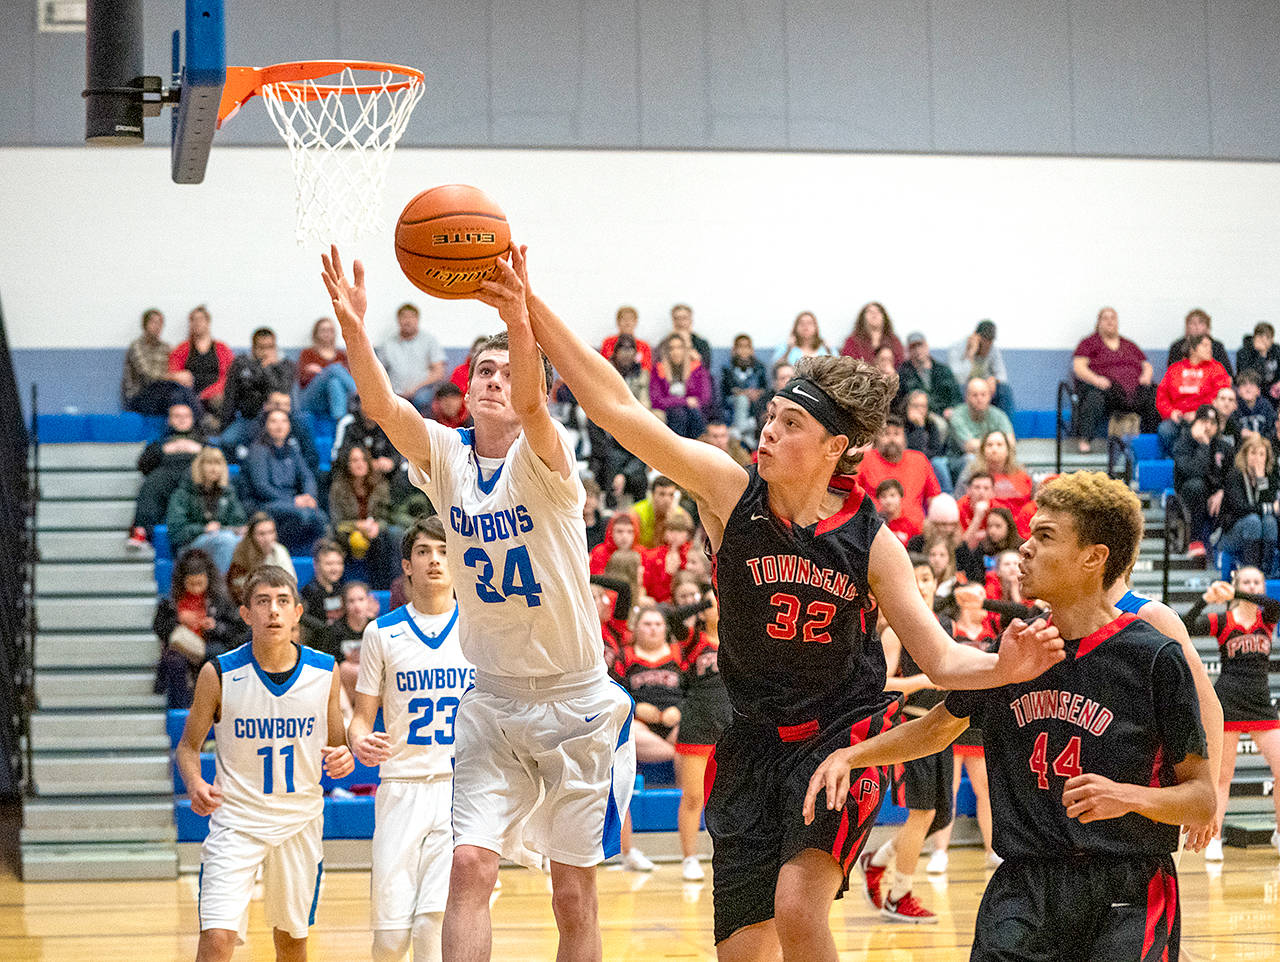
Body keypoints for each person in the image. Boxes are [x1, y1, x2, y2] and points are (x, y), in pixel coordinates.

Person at [488, 243, 1063, 962]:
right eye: (771, 416)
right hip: (752, 739)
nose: (769, 430)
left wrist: (1006, 664)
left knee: (798, 906)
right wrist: (527, 307)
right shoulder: (730, 492)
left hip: (839, 739)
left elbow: (942, 659)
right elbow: (615, 407)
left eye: (792, 424)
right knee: (743, 952)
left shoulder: (871, 541)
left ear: (835, 447)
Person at [321, 246, 635, 962]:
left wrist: (518, 317)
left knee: (571, 894)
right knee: (468, 865)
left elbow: (529, 402)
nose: (494, 381)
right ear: (465, 389)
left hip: (575, 700)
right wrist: (356, 328)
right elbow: (380, 405)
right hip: (492, 699)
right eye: (481, 371)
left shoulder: (548, 461)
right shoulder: (446, 458)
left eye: (506, 370)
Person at [805, 471, 1215, 962]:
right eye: (1028, 534)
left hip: (1126, 884)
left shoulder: (1152, 657)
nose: (1024, 549)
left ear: (1094, 557)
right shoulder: (1015, 651)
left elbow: (1201, 799)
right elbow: (937, 727)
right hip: (1024, 885)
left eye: (1044, 537)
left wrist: (1126, 796)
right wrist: (851, 756)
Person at [175, 565, 353, 962]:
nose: (273, 610)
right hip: (237, 821)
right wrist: (194, 783)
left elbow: (338, 746)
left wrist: (344, 759)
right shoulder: (218, 673)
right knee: (216, 938)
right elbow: (187, 747)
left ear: (297, 612)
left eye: (282, 601)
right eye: (263, 602)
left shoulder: (325, 671)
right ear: (246, 613)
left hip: (299, 822)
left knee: (291, 943)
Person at [346, 517, 475, 962]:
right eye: (424, 551)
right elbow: (361, 720)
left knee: (431, 925)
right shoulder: (381, 633)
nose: (435, 559)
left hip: (460, 793)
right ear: (407, 565)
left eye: (443, 550)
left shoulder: (481, 628)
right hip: (399, 788)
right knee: (390, 938)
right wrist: (359, 740)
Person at [858, 561, 951, 922]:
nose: (924, 585)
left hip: (944, 727)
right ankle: (900, 894)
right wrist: (924, 682)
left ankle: (877, 860)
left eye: (928, 579)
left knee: (939, 816)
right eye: (917, 579)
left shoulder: (942, 627)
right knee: (922, 812)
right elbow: (880, 684)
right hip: (913, 730)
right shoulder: (896, 630)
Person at [1181, 569, 1280, 862]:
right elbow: (1185, 627)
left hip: (1261, 703)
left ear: (1262, 586)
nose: (1251, 587)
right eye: (1245, 582)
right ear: (1237, 583)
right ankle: (1215, 837)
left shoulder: (1268, 617)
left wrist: (1235, 593)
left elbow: (1273, 603)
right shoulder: (1224, 620)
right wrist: (1205, 599)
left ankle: (1278, 832)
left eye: (1256, 583)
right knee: (1222, 777)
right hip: (1228, 702)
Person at [671, 578, 732, 882]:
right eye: (712, 603)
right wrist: (704, 602)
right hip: (698, 725)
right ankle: (689, 858)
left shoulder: (739, 640)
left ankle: (728, 854)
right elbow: (671, 616)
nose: (717, 606)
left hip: (732, 727)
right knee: (693, 797)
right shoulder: (694, 640)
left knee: (731, 797)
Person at [152, 548, 245, 708]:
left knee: (216, 655)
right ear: (183, 582)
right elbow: (160, 629)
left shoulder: (221, 600)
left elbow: (237, 631)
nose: (196, 589)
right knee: (175, 661)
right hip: (182, 651)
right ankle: (181, 711)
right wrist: (178, 619)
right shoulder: (171, 603)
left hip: (210, 649)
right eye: (191, 584)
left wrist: (215, 627)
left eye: (200, 584)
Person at [1072, 306, 1159, 452]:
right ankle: (1085, 441)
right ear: (1098, 323)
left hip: (1134, 389)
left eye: (1113, 318)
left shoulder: (1129, 345)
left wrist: (1146, 376)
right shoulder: (1089, 343)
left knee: (1155, 395)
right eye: (1105, 318)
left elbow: (1146, 365)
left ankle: (1149, 441)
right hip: (1108, 389)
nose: (1110, 322)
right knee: (1094, 397)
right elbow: (1078, 366)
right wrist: (1096, 379)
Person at [243, 409, 327, 554]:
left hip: (292, 502)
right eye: (274, 421)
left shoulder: (292, 449)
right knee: (303, 515)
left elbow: (307, 476)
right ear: (266, 426)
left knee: (320, 515)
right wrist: (294, 501)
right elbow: (261, 487)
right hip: (267, 504)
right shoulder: (258, 450)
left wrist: (309, 496)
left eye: (283, 421)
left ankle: (319, 556)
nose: (279, 426)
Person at [127, 402, 206, 548]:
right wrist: (163, 450)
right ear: (169, 420)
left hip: (194, 478)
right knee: (152, 482)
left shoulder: (203, 442)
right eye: (177, 416)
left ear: (193, 419)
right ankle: (141, 531)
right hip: (166, 478)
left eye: (186, 416)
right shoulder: (160, 442)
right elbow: (143, 466)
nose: (182, 419)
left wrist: (200, 450)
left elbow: (218, 462)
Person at [613, 605, 684, 762]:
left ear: (666, 628)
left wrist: (680, 710)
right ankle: (677, 754)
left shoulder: (679, 653)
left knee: (694, 729)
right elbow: (614, 691)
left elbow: (695, 689)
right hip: (640, 724)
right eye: (647, 624)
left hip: (676, 721)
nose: (653, 629)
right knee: (629, 734)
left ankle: (680, 756)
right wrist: (635, 709)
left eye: (658, 624)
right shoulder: (624, 655)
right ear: (636, 628)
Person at [329, 443, 402, 589]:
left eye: (363, 460)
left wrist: (377, 526)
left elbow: (387, 516)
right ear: (347, 464)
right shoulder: (338, 487)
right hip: (347, 534)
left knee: (391, 535)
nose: (359, 464)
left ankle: (386, 586)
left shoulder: (380, 485)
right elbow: (337, 523)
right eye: (354, 460)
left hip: (375, 532)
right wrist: (357, 526)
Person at [166, 446, 248, 572]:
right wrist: (203, 529)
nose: (214, 468)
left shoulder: (228, 492)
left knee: (248, 540)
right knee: (226, 541)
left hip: (222, 536)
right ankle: (220, 586)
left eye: (218, 464)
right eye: (209, 463)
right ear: (199, 467)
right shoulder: (183, 493)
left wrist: (236, 529)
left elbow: (238, 521)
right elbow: (176, 531)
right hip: (191, 545)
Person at [855, 414, 941, 533]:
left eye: (896, 434)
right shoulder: (865, 460)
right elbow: (849, 494)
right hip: (877, 530)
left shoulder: (919, 460)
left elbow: (934, 499)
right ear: (877, 438)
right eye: (886, 434)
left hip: (915, 533)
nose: (891, 439)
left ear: (904, 438)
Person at [1157, 331, 1233, 454]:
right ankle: (1179, 461)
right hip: (1179, 419)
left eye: (1210, 346)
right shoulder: (1175, 369)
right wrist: (1171, 412)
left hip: (1205, 417)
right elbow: (1162, 397)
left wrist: (1199, 413)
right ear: (1193, 348)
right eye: (1205, 345)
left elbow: (1220, 396)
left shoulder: (1216, 368)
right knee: (1165, 429)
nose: (1210, 349)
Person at [1171, 406, 1231, 558]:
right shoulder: (1182, 444)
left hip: (1216, 497)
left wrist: (1222, 492)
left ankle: (1223, 545)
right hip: (1187, 497)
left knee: (1233, 495)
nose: (1208, 426)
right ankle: (1194, 541)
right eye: (1204, 421)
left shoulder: (1224, 447)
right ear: (1196, 422)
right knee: (1196, 485)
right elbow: (1193, 472)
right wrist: (1203, 445)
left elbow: (1233, 476)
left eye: (1212, 423)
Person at [1215, 435, 1280, 574]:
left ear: (1267, 457)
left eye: (1262, 454)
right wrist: (1268, 508)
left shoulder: (1270, 477)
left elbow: (1269, 507)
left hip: (1259, 530)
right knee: (1253, 521)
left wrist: (1261, 479)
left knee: (1270, 522)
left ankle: (1266, 572)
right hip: (1231, 533)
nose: (1257, 458)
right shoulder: (1235, 476)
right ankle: (1251, 571)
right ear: (1245, 455)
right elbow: (1240, 508)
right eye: (1253, 453)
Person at [121, 307, 204, 415]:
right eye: (153, 322)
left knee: (181, 392)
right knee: (175, 393)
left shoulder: (166, 347)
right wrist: (174, 377)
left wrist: (183, 377)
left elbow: (173, 370)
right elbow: (148, 375)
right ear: (144, 325)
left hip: (160, 392)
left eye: (160, 323)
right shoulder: (137, 346)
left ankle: (194, 426)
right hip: (139, 397)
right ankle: (202, 422)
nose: (157, 326)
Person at [222, 327, 297, 432]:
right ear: (253, 348)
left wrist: (267, 368)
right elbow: (231, 396)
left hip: (280, 419)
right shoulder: (241, 364)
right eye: (261, 347)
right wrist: (225, 426)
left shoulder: (286, 365)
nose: (266, 352)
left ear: (275, 347)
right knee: (228, 441)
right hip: (250, 418)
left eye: (270, 347)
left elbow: (283, 391)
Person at [168, 305, 233, 425]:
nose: (197, 323)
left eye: (200, 319)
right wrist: (178, 376)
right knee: (177, 397)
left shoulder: (222, 348)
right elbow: (172, 373)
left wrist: (207, 394)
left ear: (208, 322)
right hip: (189, 395)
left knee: (222, 401)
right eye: (193, 320)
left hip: (215, 395)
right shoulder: (182, 349)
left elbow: (230, 377)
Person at [377, 302, 446, 413]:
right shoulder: (388, 344)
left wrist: (415, 388)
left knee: (422, 399)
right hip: (395, 392)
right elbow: (378, 371)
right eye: (404, 317)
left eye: (411, 317)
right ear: (398, 320)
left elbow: (439, 372)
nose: (407, 321)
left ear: (417, 320)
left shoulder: (429, 340)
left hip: (421, 391)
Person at [651, 332, 713, 439]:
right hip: (671, 412)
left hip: (693, 412)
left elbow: (705, 397)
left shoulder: (697, 368)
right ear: (666, 351)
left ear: (686, 350)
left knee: (694, 414)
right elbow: (657, 400)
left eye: (679, 347)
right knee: (679, 413)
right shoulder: (658, 369)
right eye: (671, 348)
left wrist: (686, 403)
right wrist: (684, 401)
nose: (675, 352)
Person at [227, 513, 296, 606]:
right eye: (261, 534)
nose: (267, 538)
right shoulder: (241, 556)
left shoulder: (280, 550)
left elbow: (291, 582)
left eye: (271, 532)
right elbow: (239, 590)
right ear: (252, 536)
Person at [960, 430, 1033, 517]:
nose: (994, 449)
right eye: (989, 445)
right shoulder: (972, 474)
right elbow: (961, 501)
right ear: (983, 451)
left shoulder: (1023, 475)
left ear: (1008, 450)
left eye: (999, 445)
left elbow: (1033, 502)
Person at [298, 316, 357, 421]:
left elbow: (347, 376)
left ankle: (340, 422)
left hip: (333, 400)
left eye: (330, 330)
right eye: (323, 330)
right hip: (312, 398)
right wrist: (316, 372)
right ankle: (358, 394)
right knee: (334, 368)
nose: (327, 333)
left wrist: (321, 371)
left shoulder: (341, 355)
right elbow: (301, 380)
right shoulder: (308, 353)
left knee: (334, 382)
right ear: (316, 333)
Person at [949, 319, 1011, 414]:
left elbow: (1002, 375)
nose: (987, 347)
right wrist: (971, 354)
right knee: (958, 389)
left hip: (985, 387)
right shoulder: (956, 348)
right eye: (984, 342)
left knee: (1004, 389)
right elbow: (958, 378)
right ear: (975, 337)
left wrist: (994, 379)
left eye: (990, 342)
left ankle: (1005, 426)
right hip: (965, 387)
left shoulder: (993, 349)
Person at [896, 332, 962, 419]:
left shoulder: (943, 370)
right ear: (908, 351)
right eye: (913, 347)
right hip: (914, 418)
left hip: (944, 415)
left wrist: (952, 409)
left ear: (927, 346)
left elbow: (957, 397)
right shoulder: (902, 373)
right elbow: (898, 401)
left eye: (920, 345)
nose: (917, 350)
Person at [948, 377, 1015, 458]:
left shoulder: (999, 415)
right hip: (960, 459)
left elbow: (1011, 443)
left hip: (992, 457)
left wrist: (992, 448)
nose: (979, 399)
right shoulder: (957, 415)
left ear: (990, 396)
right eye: (975, 395)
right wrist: (997, 446)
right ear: (966, 398)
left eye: (983, 395)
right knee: (971, 458)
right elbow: (969, 446)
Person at [902, 388, 953, 493]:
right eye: (915, 406)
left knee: (939, 463)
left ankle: (947, 495)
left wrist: (920, 427)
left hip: (929, 461)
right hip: (906, 461)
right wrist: (918, 428)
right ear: (907, 406)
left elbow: (936, 450)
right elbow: (912, 449)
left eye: (923, 406)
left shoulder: (931, 424)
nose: (919, 410)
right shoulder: (900, 424)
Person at [299, 539, 346, 654]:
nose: (335, 568)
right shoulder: (308, 592)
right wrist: (325, 627)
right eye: (329, 564)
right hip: (317, 648)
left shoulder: (342, 589)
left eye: (339, 563)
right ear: (316, 565)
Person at [722, 334, 769, 439]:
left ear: (752, 350)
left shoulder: (760, 367)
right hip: (734, 401)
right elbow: (729, 390)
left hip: (754, 401)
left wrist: (756, 393)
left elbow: (764, 388)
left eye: (747, 347)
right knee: (742, 400)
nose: (743, 350)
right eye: (740, 346)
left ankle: (740, 432)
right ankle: (741, 429)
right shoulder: (727, 368)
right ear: (734, 350)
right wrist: (746, 393)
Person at [1167, 307, 1232, 375]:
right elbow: (1171, 373)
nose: (1196, 326)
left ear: (1207, 327)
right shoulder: (1177, 346)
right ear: (1187, 327)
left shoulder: (1217, 346)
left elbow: (1228, 373)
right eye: (1192, 323)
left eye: (1201, 323)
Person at [632, 475, 691, 549]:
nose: (667, 500)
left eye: (671, 495)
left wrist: (672, 521)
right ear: (652, 495)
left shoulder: (681, 515)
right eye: (662, 494)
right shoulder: (636, 512)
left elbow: (685, 548)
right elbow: (631, 545)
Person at [840, 301, 903, 366]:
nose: (874, 314)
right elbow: (846, 364)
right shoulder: (852, 341)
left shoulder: (894, 341)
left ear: (884, 317)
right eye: (869, 311)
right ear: (863, 317)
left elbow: (900, 364)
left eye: (878, 311)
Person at [600, 305, 653, 371]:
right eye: (624, 319)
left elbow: (646, 370)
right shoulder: (608, 343)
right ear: (618, 322)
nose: (627, 323)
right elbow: (602, 366)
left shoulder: (644, 346)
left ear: (636, 322)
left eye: (631, 319)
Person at [1236, 321, 1280, 399]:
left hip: (1274, 390)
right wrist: (1262, 355)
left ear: (1272, 339)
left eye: (1268, 338)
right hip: (1254, 389)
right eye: (1261, 338)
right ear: (1254, 338)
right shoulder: (1243, 353)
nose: (1264, 342)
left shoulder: (1277, 350)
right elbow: (1247, 376)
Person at [1234, 369, 1276, 442]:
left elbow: (1273, 430)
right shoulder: (1234, 407)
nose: (1248, 388)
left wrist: (1259, 437)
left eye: (1252, 384)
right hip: (1241, 448)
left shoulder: (1266, 406)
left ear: (1258, 391)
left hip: (1263, 446)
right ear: (1238, 391)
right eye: (1244, 384)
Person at [668, 302, 712, 368]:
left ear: (691, 320)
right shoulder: (665, 343)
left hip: (697, 376)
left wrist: (687, 345)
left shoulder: (702, 343)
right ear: (673, 321)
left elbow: (706, 368)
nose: (680, 322)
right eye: (677, 318)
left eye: (684, 318)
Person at [875, 478, 917, 545]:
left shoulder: (911, 525)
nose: (888, 501)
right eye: (883, 496)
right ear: (878, 499)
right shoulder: (874, 523)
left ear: (901, 496)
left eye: (892, 495)